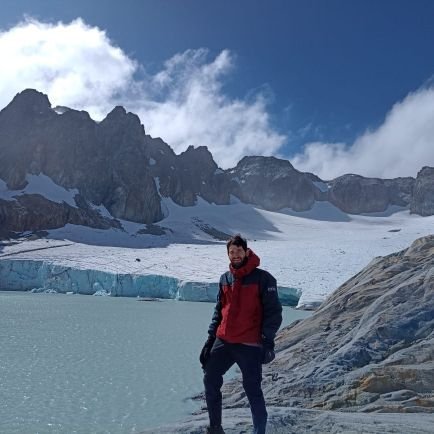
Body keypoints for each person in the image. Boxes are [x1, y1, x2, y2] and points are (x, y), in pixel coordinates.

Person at [200, 234, 283, 434]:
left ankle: (259, 432)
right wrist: (210, 340)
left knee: (253, 390)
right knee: (210, 379)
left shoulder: (263, 278)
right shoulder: (225, 278)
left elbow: (274, 313)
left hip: (249, 344)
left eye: (238, 251)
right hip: (224, 340)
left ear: (246, 252)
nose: (235, 255)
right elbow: (219, 310)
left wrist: (267, 341)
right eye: (231, 252)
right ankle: (215, 428)